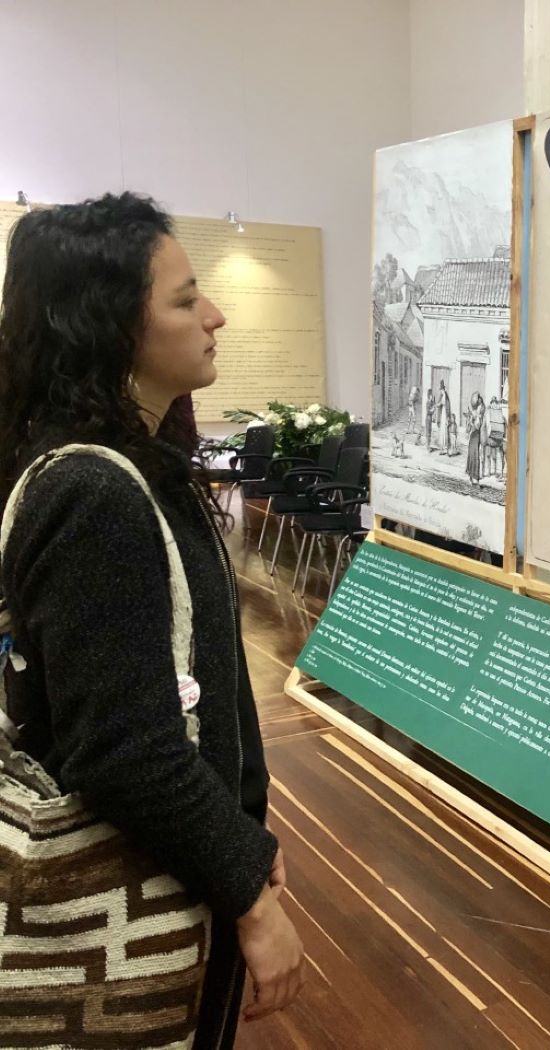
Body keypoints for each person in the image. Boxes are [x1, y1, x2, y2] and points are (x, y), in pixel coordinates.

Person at [0, 193, 305, 1047]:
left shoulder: (134, 469)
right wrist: (247, 891)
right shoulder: (95, 492)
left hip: (180, 858)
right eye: (183, 300)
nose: (215, 314)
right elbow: (125, 747)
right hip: (131, 882)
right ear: (112, 329)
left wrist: (240, 839)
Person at [464, 391, 486, 484]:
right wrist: (471, 419)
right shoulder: (476, 412)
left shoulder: (480, 415)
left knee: (475, 455)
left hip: (476, 435)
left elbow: (477, 426)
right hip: (473, 435)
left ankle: (475, 477)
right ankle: (471, 475)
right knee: (471, 454)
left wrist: (473, 420)